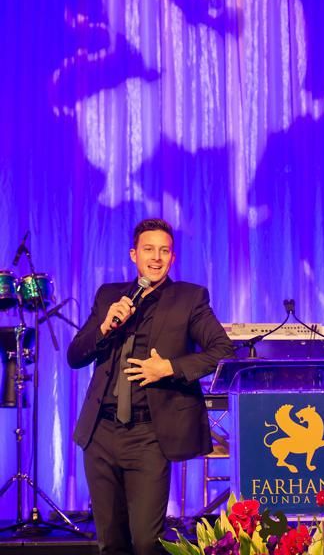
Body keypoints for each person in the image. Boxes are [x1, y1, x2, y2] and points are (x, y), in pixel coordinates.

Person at [67, 218, 233, 555]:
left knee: (146, 541)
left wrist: (169, 368)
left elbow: (223, 351)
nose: (156, 258)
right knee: (111, 542)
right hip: (100, 432)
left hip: (148, 435)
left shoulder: (189, 298)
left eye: (164, 251)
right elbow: (75, 356)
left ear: (172, 258)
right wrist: (104, 327)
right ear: (134, 255)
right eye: (148, 250)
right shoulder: (109, 295)